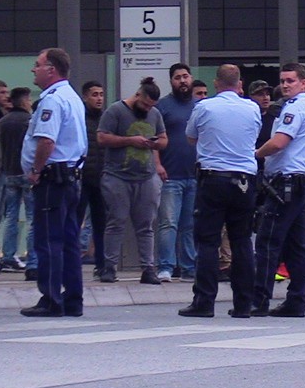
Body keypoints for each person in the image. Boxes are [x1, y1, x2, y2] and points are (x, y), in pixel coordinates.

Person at [178, 64, 260, 318]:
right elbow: (253, 136)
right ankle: (244, 303)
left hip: (213, 179)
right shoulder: (252, 108)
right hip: (244, 180)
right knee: (242, 241)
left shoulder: (204, 107)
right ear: (240, 84)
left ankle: (204, 301)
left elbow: (191, 137)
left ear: (215, 83)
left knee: (208, 241)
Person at [19, 48, 88, 318]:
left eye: (37, 65)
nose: (33, 70)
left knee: (49, 240)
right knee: (70, 241)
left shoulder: (52, 100)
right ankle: (73, 299)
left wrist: (36, 169)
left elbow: (47, 140)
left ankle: (50, 299)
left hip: (53, 179)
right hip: (71, 177)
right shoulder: (72, 97)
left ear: (52, 69)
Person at [251, 63, 305, 317]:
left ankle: (259, 300)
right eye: (283, 80)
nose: (285, 85)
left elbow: (279, 142)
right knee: (296, 245)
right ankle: (296, 301)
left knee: (268, 241)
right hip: (298, 183)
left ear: (304, 83)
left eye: (291, 80)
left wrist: (256, 154)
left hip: (286, 184)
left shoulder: (295, 108)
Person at [97, 76, 167, 285]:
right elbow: (102, 138)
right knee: (116, 222)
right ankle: (109, 267)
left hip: (146, 177)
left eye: (151, 106)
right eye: (145, 104)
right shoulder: (115, 111)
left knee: (146, 225)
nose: (147, 109)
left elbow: (164, 140)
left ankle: (148, 268)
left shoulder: (155, 114)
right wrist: (130, 141)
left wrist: (154, 144)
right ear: (138, 95)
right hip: (117, 175)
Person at [155, 63, 198, 282]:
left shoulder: (200, 106)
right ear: (171, 82)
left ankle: (189, 267)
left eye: (185, 76)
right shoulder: (162, 107)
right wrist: (157, 164)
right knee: (168, 223)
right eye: (177, 77)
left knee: (189, 224)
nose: (182, 81)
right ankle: (166, 266)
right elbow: (154, 139)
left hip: (195, 175)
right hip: (170, 175)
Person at [0, 87, 35, 273]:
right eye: (29, 100)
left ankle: (7, 256)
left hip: (9, 172)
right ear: (24, 101)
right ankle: (32, 259)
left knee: (10, 216)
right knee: (31, 217)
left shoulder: (3, 122)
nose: (30, 103)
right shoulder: (29, 121)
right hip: (27, 173)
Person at [78, 80, 107, 278]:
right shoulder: (79, 118)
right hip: (82, 178)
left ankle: (102, 264)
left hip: (102, 178)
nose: (99, 99)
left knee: (101, 224)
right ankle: (70, 263)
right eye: (94, 94)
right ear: (85, 97)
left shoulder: (106, 119)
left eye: (101, 94)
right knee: (74, 222)